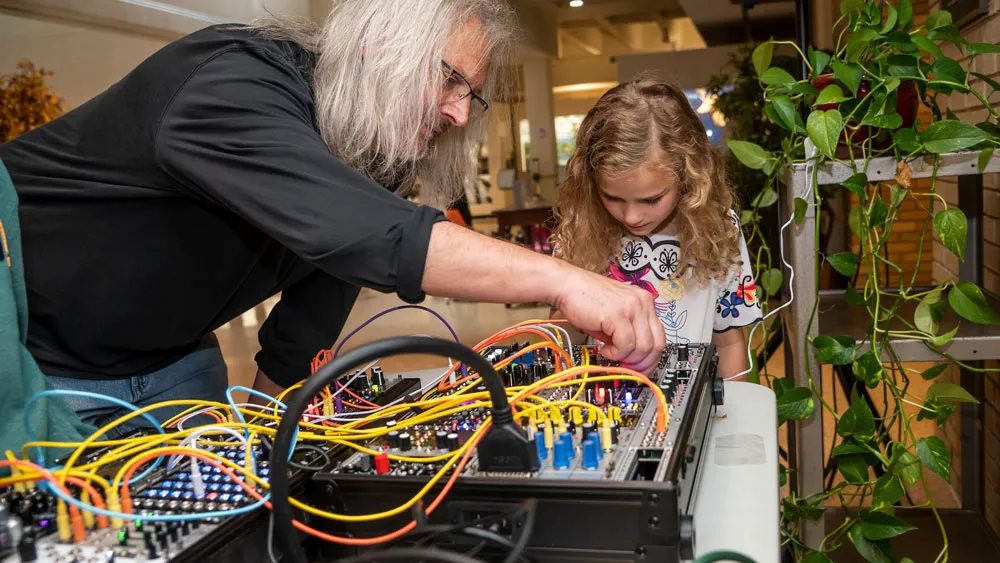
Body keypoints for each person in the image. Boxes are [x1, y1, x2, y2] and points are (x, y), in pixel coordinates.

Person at [0, 0, 664, 432]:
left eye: (473, 95)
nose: (461, 113)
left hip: (175, 357)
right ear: (381, 47)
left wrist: (271, 441)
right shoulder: (228, 85)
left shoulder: (372, 152)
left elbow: (309, 318)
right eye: (450, 80)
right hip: (42, 359)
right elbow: (380, 237)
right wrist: (566, 280)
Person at [551, 78, 762, 381]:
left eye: (651, 199)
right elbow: (560, 340)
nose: (632, 216)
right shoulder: (580, 228)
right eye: (612, 197)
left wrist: (734, 407)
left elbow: (729, 342)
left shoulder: (718, 229)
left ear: (688, 175)